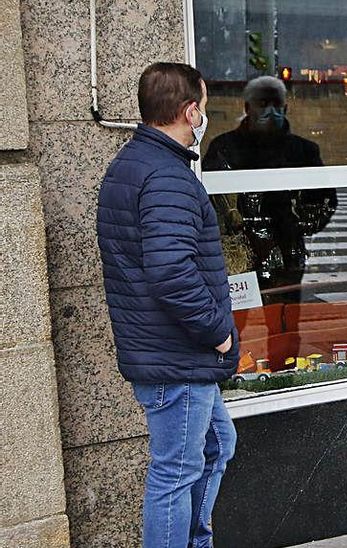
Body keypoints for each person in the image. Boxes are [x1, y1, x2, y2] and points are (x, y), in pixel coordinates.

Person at [96, 62, 238, 547]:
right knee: (175, 475)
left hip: (171, 354)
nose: (205, 119)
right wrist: (218, 332)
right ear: (189, 110)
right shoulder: (166, 176)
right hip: (178, 356)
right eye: (203, 108)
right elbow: (172, 273)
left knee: (219, 444)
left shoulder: (136, 163)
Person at [203, 76, 335, 372]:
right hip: (238, 258)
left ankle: (284, 376)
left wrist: (296, 223)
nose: (270, 112)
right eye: (263, 104)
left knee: (285, 326)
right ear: (247, 107)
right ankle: (233, 379)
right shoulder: (224, 148)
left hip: (286, 256)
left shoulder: (303, 150)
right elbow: (210, 206)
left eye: (277, 105)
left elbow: (326, 201)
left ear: (286, 108)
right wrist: (232, 234)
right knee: (234, 326)